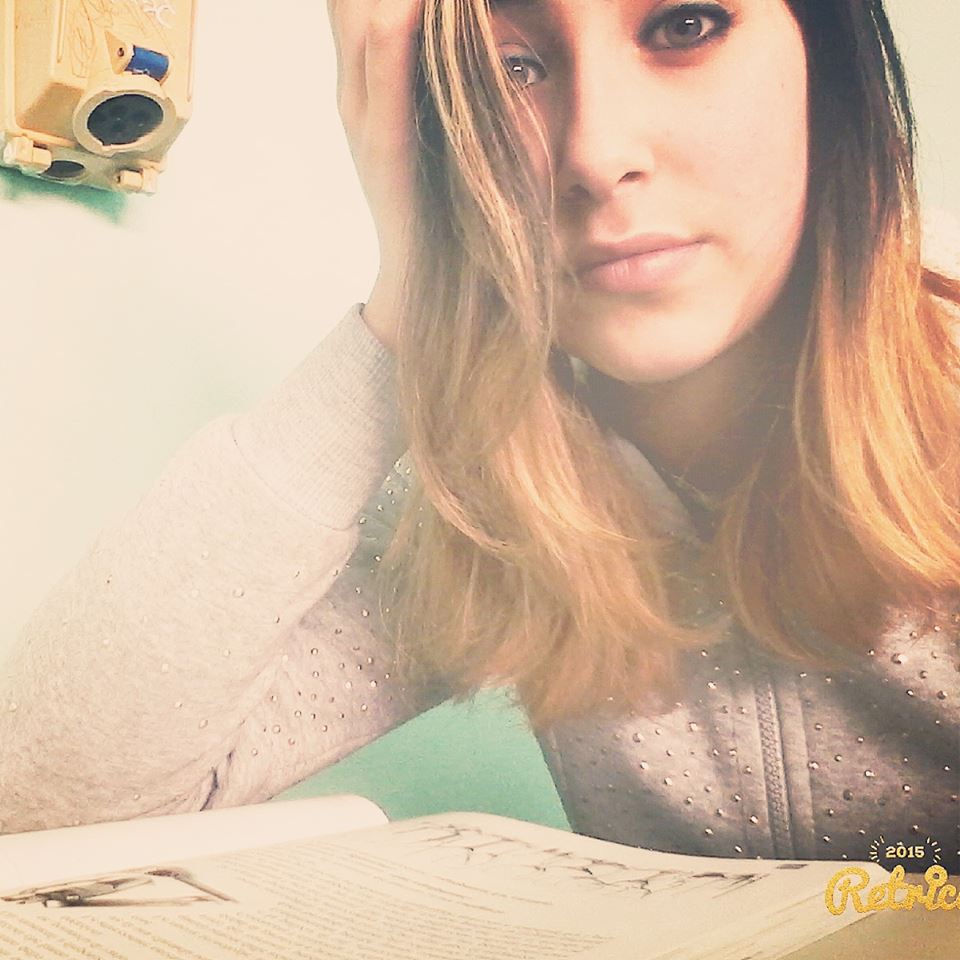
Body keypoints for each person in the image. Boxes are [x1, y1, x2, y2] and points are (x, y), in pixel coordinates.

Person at [2, 0, 958, 873]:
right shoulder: (486, 497)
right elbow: (45, 813)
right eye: (511, 68)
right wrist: (410, 304)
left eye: (685, 26)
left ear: (830, 68)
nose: (596, 153)